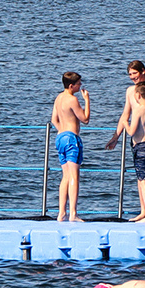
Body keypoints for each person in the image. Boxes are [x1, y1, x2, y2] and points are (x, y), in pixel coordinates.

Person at [105, 61, 145, 222]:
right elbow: (125, 114)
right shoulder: (129, 91)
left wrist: (129, 125)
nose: (133, 77)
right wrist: (115, 137)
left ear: (143, 71)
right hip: (139, 141)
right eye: (130, 74)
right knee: (143, 177)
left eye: (135, 73)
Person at [50, 71, 90, 223]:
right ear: (71, 85)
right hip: (71, 138)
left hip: (60, 137)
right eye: (79, 84)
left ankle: (61, 213)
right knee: (74, 176)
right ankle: (73, 213)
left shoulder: (58, 98)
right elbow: (85, 119)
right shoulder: (72, 99)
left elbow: (54, 119)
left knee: (65, 176)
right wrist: (87, 100)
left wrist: (62, 130)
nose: (81, 87)